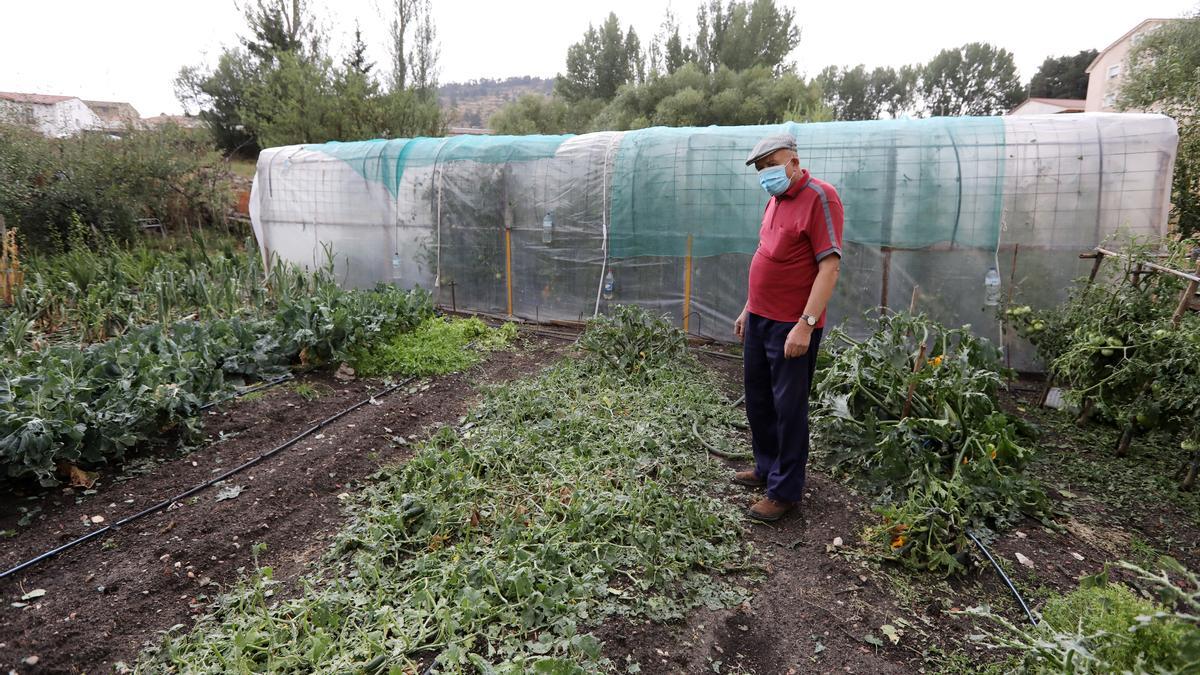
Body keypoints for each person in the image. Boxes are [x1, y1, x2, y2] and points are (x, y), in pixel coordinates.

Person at [733, 133, 843, 522]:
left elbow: (829, 266)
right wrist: (749, 308)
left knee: (788, 408)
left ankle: (785, 492)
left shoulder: (820, 197)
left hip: (790, 325)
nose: (767, 173)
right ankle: (766, 468)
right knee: (759, 400)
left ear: (794, 161)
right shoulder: (774, 201)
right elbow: (768, 257)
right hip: (761, 319)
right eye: (761, 168)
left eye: (772, 164)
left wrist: (806, 325)